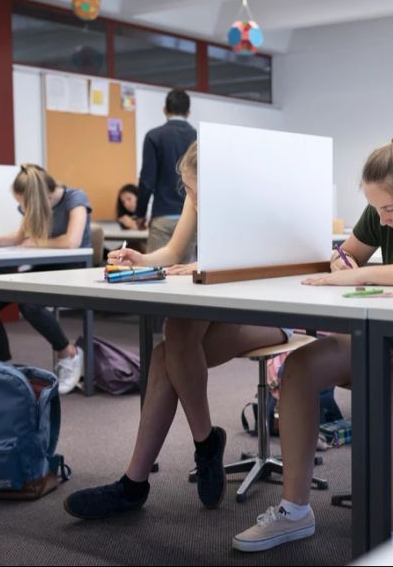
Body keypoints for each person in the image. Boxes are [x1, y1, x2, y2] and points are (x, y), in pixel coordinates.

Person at [233, 132, 393, 552]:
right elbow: (348, 257)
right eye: (375, 208)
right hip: (390, 334)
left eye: (389, 208)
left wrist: (362, 273)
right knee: (300, 368)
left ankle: (389, 535)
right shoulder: (379, 215)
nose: (381, 218)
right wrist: (343, 261)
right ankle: (294, 511)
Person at [63, 143, 292, 519]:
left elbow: (269, 265)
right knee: (169, 346)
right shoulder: (198, 197)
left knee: (171, 347)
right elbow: (172, 252)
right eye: (187, 190)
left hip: (268, 309)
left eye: (198, 192)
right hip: (220, 301)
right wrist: (142, 259)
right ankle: (200, 446)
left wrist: (207, 266)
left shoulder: (254, 202)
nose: (192, 198)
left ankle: (139, 483)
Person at [0, 164, 92, 392]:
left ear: (41, 197)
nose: (23, 208)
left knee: (29, 303)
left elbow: (71, 241)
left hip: (74, 269)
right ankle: (3, 367)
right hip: (44, 268)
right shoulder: (36, 206)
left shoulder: (76, 198)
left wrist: (37, 242)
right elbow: (20, 237)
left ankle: (69, 353)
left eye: (25, 204)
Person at [137, 88, 197, 260]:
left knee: (155, 275)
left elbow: (147, 180)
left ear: (165, 110)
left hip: (163, 215)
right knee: (184, 276)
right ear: (188, 112)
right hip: (193, 218)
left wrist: (140, 214)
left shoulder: (153, 136)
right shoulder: (198, 137)